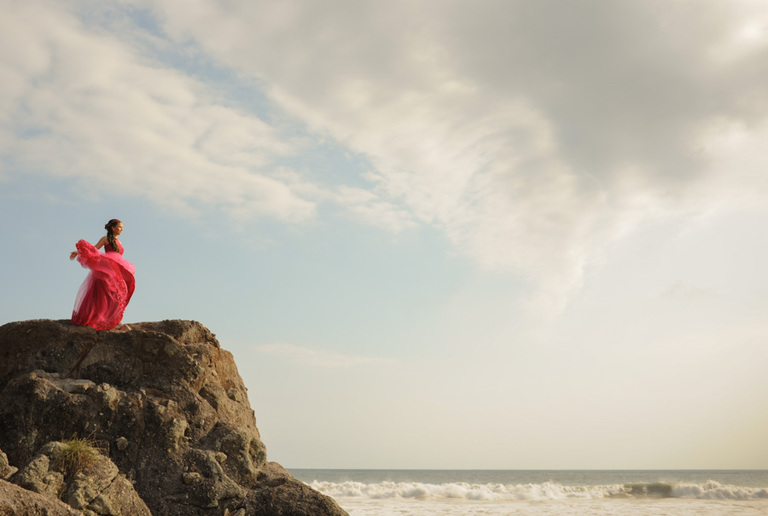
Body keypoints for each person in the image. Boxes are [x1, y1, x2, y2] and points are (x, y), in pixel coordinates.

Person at [70, 219, 136, 331]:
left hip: (116, 268)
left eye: (122, 227)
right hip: (106, 268)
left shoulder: (119, 242)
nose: (121, 229)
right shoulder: (105, 239)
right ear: (112, 227)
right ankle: (95, 318)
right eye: (119, 227)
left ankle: (107, 319)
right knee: (103, 293)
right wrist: (79, 252)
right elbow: (94, 250)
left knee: (117, 292)